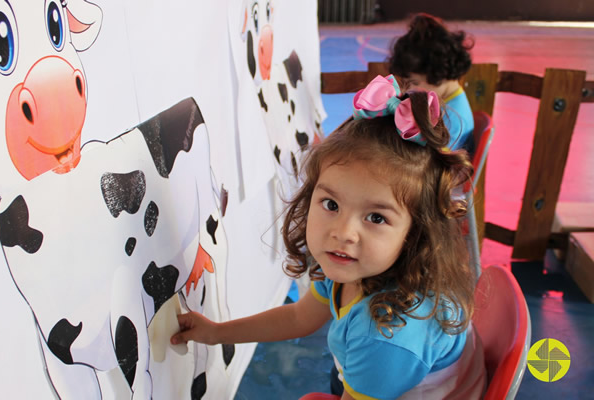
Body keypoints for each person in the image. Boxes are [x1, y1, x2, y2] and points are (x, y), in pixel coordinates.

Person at [171, 75, 486, 399]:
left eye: (376, 217)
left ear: (415, 234)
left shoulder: (387, 335)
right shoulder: (350, 266)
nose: (342, 233)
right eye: (331, 204)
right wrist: (216, 333)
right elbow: (298, 316)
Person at [389, 13, 475, 155]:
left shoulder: (454, 121)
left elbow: (429, 167)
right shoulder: (445, 104)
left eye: (414, 83)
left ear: (438, 74)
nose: (409, 89)